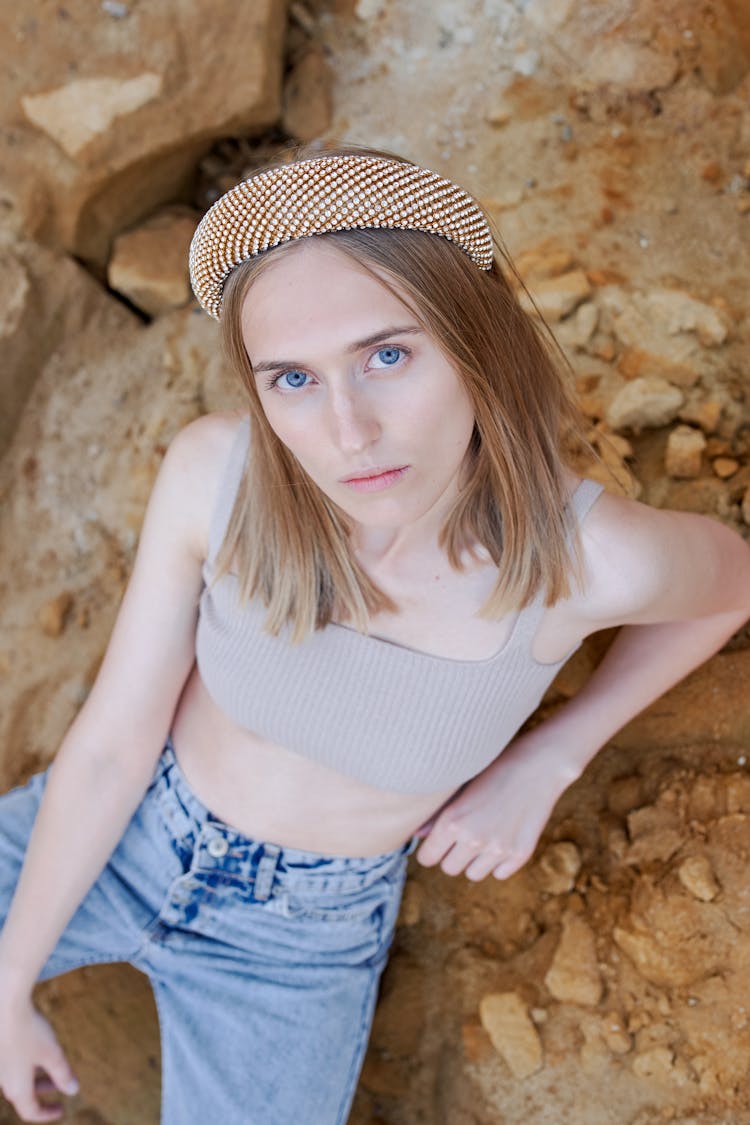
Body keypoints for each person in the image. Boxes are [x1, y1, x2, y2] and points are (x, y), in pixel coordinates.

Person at [0, 141, 748, 1125]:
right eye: (293, 380)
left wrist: (550, 757)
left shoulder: (587, 557)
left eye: (387, 356)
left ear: (474, 341)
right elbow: (107, 749)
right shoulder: (215, 477)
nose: (348, 432)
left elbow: (729, 581)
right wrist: (8, 992)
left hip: (299, 943)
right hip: (134, 823)